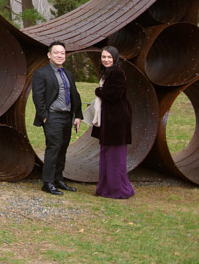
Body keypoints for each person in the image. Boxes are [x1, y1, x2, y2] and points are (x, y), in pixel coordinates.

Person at [31, 41, 82, 195]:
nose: (60, 56)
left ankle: (58, 179)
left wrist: (78, 115)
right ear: (49, 55)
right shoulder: (41, 73)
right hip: (52, 117)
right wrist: (45, 116)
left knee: (62, 149)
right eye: (56, 53)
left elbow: (75, 96)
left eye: (62, 53)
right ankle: (47, 182)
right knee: (53, 148)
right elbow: (37, 97)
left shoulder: (68, 74)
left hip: (67, 117)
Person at [92, 46, 134, 199]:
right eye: (104, 57)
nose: (106, 60)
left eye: (109, 57)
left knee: (115, 156)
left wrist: (99, 91)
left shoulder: (118, 73)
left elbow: (114, 94)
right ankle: (105, 187)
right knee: (107, 154)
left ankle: (117, 190)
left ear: (115, 58)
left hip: (116, 120)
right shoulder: (109, 73)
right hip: (109, 119)